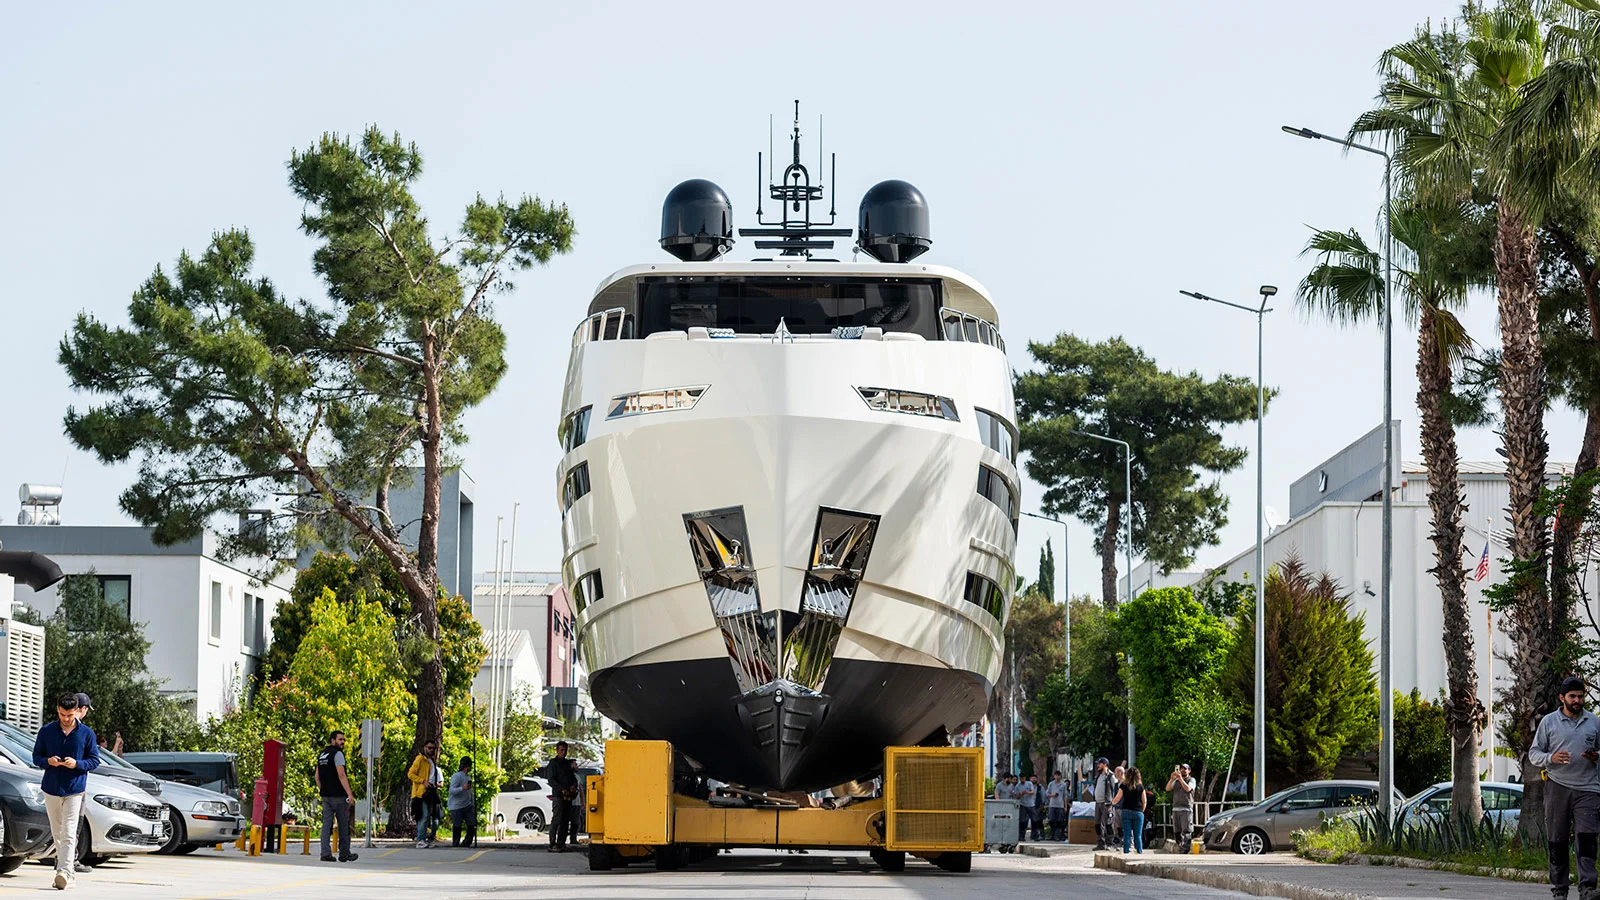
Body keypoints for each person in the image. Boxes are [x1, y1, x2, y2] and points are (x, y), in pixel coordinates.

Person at [1530, 674, 1600, 900]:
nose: (1577, 700)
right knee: (1557, 840)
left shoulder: (1594, 722)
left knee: (1587, 839)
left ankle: (1587, 888)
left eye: (1580, 696)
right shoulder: (1549, 722)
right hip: (1557, 787)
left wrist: (1596, 755)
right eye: (1572, 696)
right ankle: (1559, 889)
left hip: (1588, 789)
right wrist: (1551, 758)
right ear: (1562, 698)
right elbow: (1534, 753)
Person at [32, 694, 100, 890]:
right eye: (62, 714)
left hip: (75, 789)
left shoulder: (87, 733)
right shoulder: (46, 731)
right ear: (57, 710)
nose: (66, 718)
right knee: (58, 834)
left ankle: (64, 872)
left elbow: (94, 761)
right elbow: (36, 757)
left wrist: (77, 764)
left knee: (70, 832)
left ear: (77, 711)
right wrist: (48, 761)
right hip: (51, 789)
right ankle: (66, 873)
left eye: (70, 715)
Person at [315, 730, 358, 863]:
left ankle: (325, 853)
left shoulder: (322, 755)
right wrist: (349, 794)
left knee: (326, 825)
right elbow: (341, 774)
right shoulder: (338, 754)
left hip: (326, 796)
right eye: (340, 739)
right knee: (343, 826)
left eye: (343, 740)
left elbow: (317, 776)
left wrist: (323, 789)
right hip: (339, 796)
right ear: (332, 740)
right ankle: (344, 853)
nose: (342, 742)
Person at [408, 739, 444, 849]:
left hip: (430, 792)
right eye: (429, 748)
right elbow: (410, 774)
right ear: (424, 748)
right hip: (421, 793)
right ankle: (420, 840)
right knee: (423, 816)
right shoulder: (420, 759)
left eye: (433, 748)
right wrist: (423, 781)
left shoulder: (431, 761)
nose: (431, 750)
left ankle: (422, 839)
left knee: (426, 815)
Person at [543, 742, 579, 852]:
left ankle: (561, 843)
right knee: (557, 819)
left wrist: (573, 785)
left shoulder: (567, 764)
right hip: (558, 795)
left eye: (565, 750)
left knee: (565, 820)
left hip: (568, 795)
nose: (563, 752)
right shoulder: (553, 763)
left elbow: (573, 777)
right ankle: (552, 843)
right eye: (561, 750)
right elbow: (551, 779)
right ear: (557, 750)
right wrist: (561, 789)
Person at [1112, 766, 1147, 854]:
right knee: (1137, 835)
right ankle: (1139, 852)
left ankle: (1126, 852)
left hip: (1126, 811)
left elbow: (1117, 798)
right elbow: (1144, 801)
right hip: (1138, 812)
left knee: (1127, 834)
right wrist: (1142, 810)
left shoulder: (1123, 785)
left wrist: (1112, 803)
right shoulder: (1140, 786)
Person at [448, 756, 476, 848]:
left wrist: (472, 802)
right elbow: (451, 790)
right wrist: (462, 788)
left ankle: (468, 841)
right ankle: (456, 841)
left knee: (471, 822)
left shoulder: (468, 777)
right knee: (457, 824)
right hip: (456, 805)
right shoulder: (457, 776)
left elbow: (469, 791)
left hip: (467, 804)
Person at [1167, 763, 1197, 847]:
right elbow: (1168, 788)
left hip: (1186, 809)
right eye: (1182, 768)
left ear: (1189, 771)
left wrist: (1180, 779)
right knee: (1177, 831)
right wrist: (1171, 779)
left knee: (1186, 830)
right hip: (1176, 809)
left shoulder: (1192, 780)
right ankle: (1180, 847)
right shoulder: (1176, 781)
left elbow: (1188, 789)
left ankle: (1186, 848)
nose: (1183, 770)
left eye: (1185, 769)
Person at [1092, 758, 1114, 850]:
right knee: (1097, 824)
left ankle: (1109, 843)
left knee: (1108, 824)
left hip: (1107, 804)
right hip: (1098, 803)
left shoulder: (1110, 776)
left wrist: (1113, 802)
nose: (1098, 766)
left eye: (1099, 764)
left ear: (1105, 764)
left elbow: (1115, 789)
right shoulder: (1098, 776)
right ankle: (1100, 843)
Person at [1045, 771, 1067, 841]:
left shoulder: (1063, 785)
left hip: (1060, 805)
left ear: (1060, 776)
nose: (1057, 777)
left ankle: (1058, 835)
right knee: (1051, 820)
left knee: (1059, 821)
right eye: (1056, 775)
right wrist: (1053, 795)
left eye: (1058, 775)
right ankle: (1052, 834)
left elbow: (1065, 796)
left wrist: (1065, 806)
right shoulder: (1051, 784)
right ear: (1054, 776)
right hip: (1052, 805)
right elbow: (1047, 794)